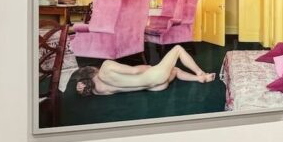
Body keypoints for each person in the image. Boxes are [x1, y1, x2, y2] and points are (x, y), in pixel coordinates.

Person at [71, 44, 215, 96]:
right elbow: (134, 71)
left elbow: (90, 89)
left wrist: (83, 87)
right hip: (154, 78)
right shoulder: (106, 67)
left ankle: (198, 79)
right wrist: (152, 68)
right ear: (90, 69)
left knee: (175, 70)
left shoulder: (100, 91)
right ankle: (201, 73)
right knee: (178, 49)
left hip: (154, 88)